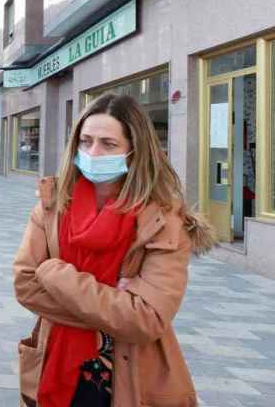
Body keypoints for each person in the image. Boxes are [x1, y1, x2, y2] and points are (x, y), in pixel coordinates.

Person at [14, 94, 216, 407]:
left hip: (129, 379)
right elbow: (26, 284)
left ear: (134, 152)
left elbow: (146, 319)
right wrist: (114, 306)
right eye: (86, 141)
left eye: (108, 144)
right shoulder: (52, 206)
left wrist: (55, 274)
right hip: (55, 366)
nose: (93, 152)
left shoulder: (162, 220)